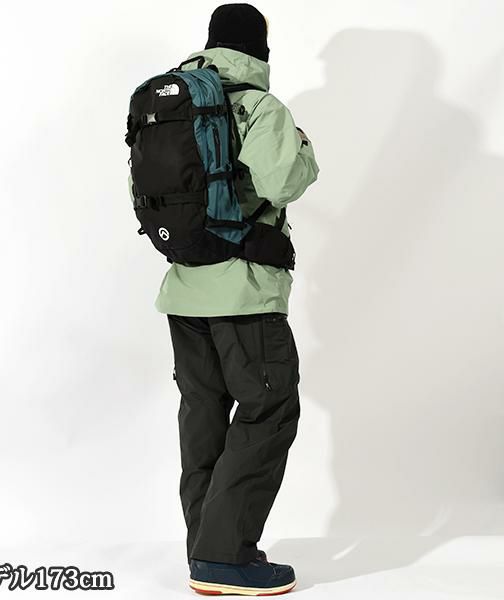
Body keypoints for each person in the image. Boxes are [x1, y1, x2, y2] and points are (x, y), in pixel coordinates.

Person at [132, 3, 319, 595]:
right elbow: (283, 181)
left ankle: (206, 549)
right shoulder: (260, 106)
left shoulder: (170, 104)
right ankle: (224, 557)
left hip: (184, 290)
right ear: (260, 49)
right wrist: (303, 146)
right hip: (244, 291)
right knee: (269, 409)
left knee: (203, 413)